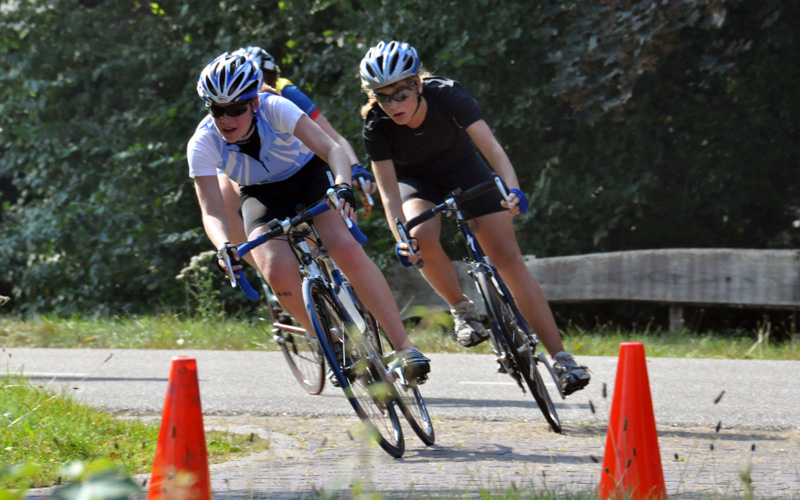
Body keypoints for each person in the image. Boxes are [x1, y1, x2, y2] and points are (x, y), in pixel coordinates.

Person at [359, 41, 589, 395]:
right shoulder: (376, 125)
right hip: (416, 183)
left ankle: (561, 359)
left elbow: (492, 147)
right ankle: (461, 309)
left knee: (507, 258)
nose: (393, 105)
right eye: (383, 97)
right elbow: (389, 194)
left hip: (463, 168)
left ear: (418, 84)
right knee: (420, 232)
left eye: (401, 93)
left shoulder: (448, 95)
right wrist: (400, 238)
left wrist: (512, 189)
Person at [187, 51, 429, 381]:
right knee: (276, 270)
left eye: (236, 109)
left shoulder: (277, 108)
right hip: (261, 193)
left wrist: (344, 186)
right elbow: (212, 210)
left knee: (343, 247)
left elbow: (332, 150)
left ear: (254, 103)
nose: (226, 119)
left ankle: (404, 347)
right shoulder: (203, 142)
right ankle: (330, 341)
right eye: (217, 110)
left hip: (309, 174)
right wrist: (224, 245)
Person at [214, 46, 375, 267]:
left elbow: (330, 136)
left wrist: (353, 167)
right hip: (248, 167)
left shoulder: (285, 94)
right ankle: (259, 267)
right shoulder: (225, 118)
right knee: (225, 194)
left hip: (299, 163)